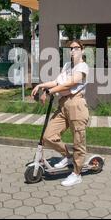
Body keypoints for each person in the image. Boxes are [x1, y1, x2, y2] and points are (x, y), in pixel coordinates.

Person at [31, 40, 90, 187]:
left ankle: (76, 174)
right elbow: (57, 82)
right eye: (70, 48)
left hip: (76, 105)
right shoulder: (67, 66)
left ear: (82, 50)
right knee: (48, 136)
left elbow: (71, 83)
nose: (72, 51)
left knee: (78, 142)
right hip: (63, 104)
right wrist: (41, 85)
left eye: (76, 48)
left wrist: (49, 92)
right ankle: (68, 157)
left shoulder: (83, 67)